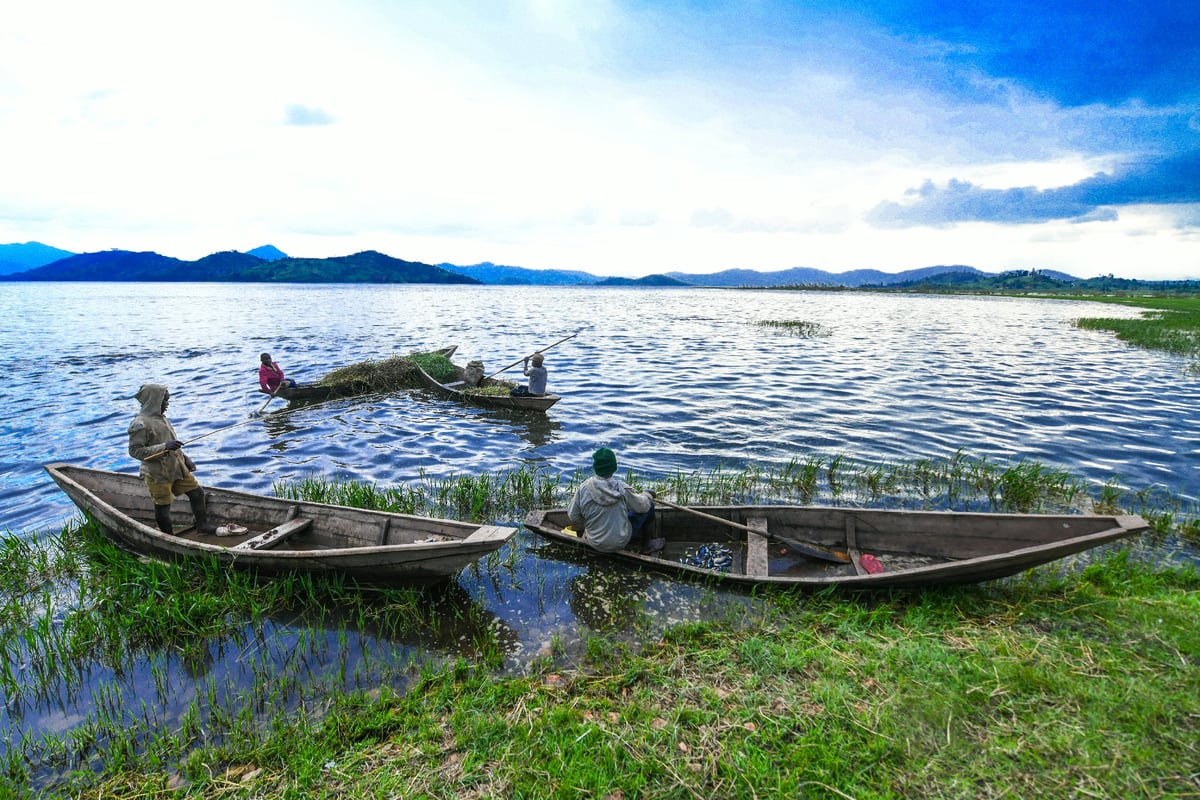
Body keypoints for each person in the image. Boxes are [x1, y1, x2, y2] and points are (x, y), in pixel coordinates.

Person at [127, 383, 216, 535]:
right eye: (164, 400)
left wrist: (186, 459)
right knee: (163, 507)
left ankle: (202, 527)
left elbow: (172, 443)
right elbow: (135, 451)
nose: (167, 404)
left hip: (177, 467)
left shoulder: (162, 418)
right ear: (154, 401)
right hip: (157, 474)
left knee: (197, 493)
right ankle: (169, 538)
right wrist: (163, 448)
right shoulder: (140, 423)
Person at [567, 447, 661, 554]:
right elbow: (643, 507)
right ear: (614, 468)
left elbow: (573, 516)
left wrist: (590, 524)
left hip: (594, 542)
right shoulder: (622, 489)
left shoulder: (583, 488)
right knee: (650, 506)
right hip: (621, 542)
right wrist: (648, 495)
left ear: (595, 468)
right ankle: (647, 545)